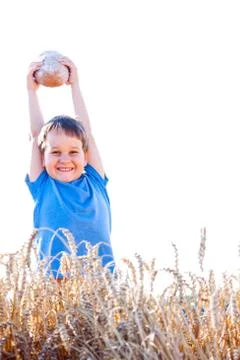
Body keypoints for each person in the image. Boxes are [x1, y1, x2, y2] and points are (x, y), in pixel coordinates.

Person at [26, 56, 114, 278]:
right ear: (43, 156)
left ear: (85, 156)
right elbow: (36, 136)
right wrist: (31, 92)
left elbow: (87, 133)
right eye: (55, 152)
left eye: (73, 152)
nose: (65, 159)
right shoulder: (44, 186)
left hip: (100, 282)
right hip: (56, 282)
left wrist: (75, 85)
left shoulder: (95, 181)